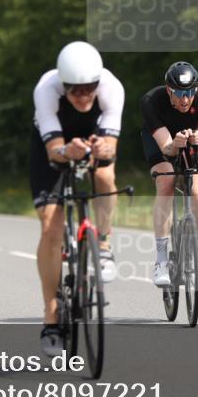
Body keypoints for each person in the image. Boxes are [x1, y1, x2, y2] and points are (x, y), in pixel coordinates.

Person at [31, 41, 124, 356]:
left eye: (89, 89)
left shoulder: (111, 87)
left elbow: (111, 146)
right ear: (63, 85)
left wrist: (103, 149)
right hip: (54, 145)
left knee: (105, 176)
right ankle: (51, 317)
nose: (84, 96)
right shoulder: (47, 89)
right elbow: (52, 150)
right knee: (50, 227)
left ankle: (105, 243)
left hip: (93, 136)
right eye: (75, 91)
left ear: (98, 83)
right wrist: (65, 151)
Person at [140, 61, 198, 287]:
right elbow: (167, 149)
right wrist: (175, 144)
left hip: (195, 144)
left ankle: (195, 249)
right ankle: (161, 260)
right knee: (166, 183)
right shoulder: (151, 101)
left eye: (189, 93)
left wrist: (197, 142)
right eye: (179, 93)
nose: (185, 99)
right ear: (169, 90)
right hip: (161, 142)